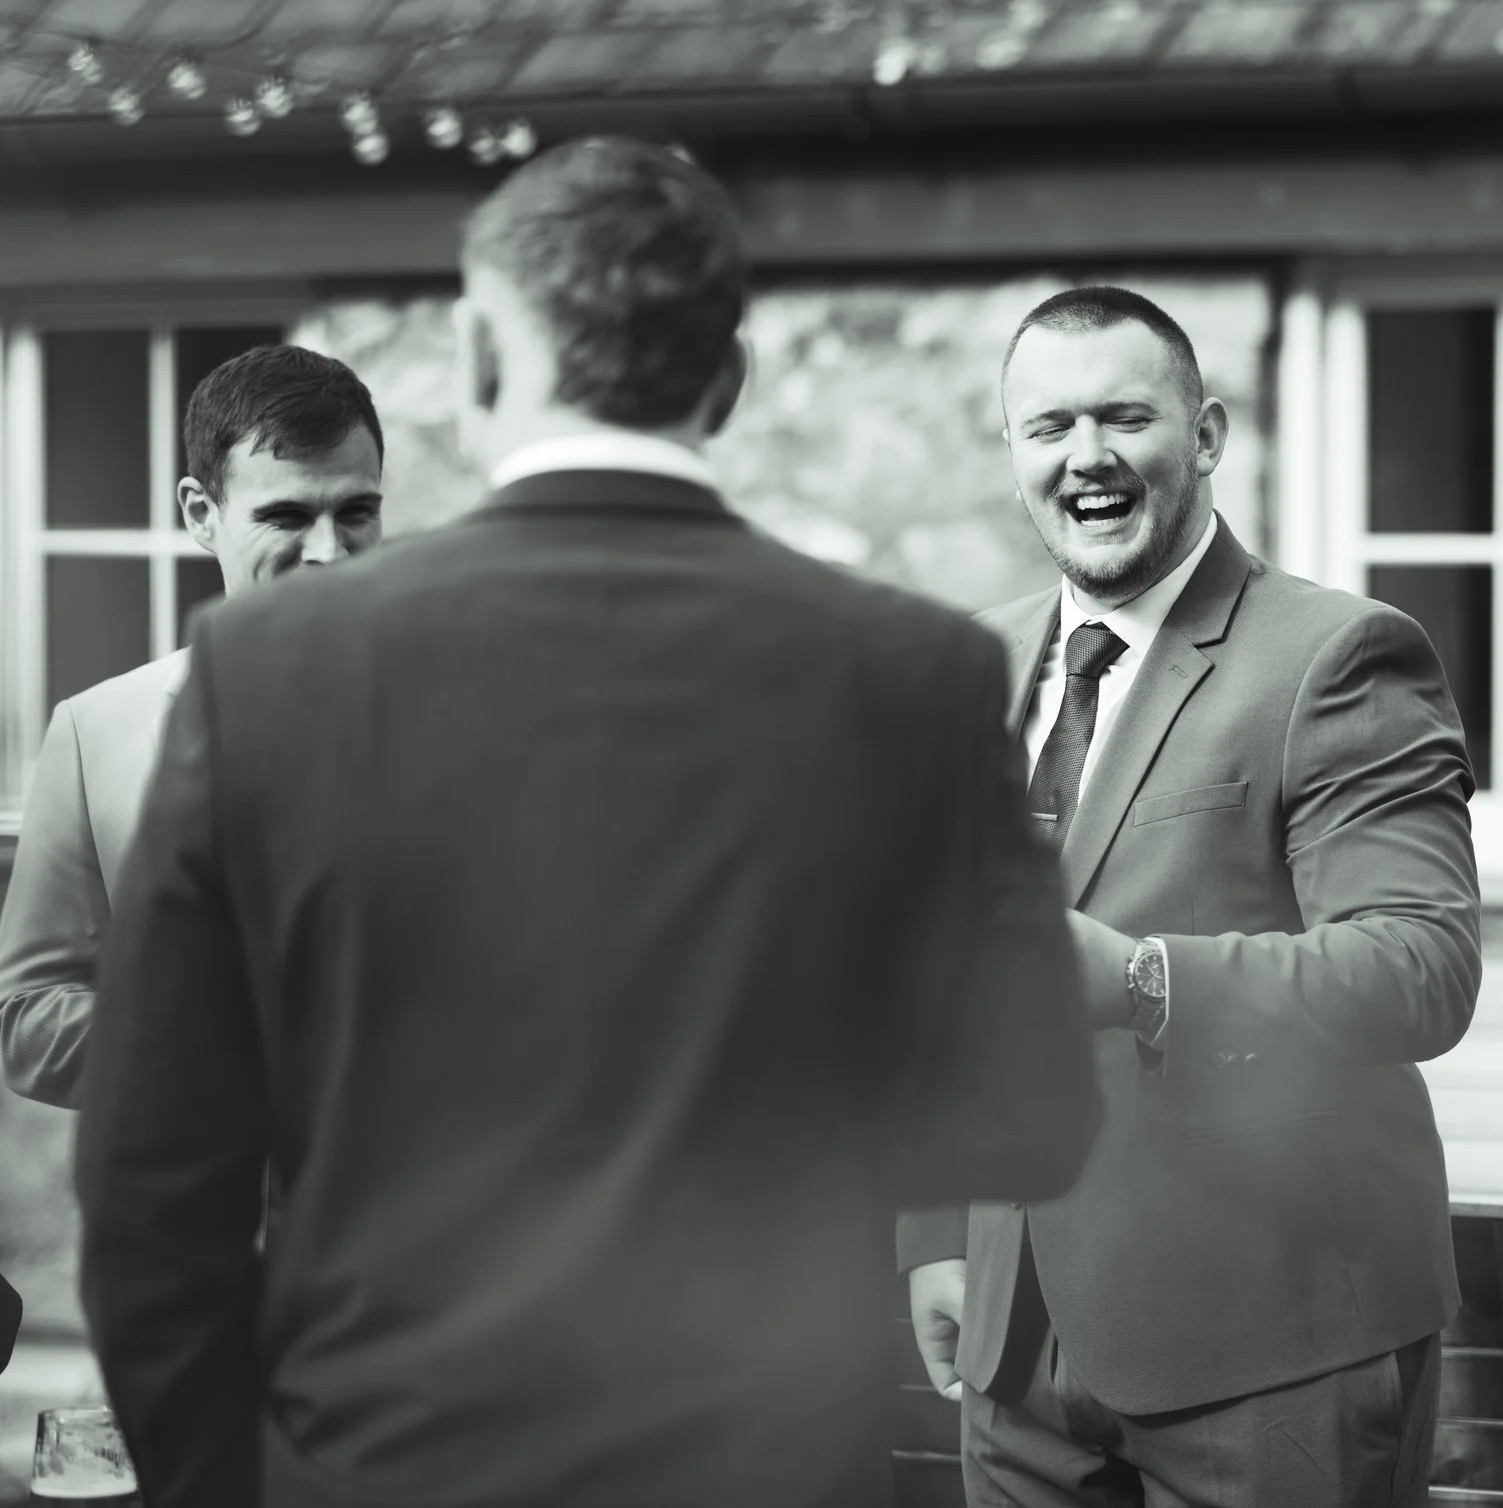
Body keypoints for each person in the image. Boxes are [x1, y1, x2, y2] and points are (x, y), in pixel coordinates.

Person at [74, 138, 1102, 1508]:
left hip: (387, 1461)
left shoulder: (272, 669)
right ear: (727, 377)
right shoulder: (916, 672)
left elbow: (151, 1179)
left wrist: (237, 1479)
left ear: (477, 359)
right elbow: (1028, 1111)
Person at [900, 285, 1480, 1508]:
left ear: (1205, 435)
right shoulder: (967, 666)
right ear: (1012, 451)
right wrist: (937, 1228)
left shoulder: (1339, 654)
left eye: (1124, 417)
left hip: (1273, 1339)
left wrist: (1145, 979)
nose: (1086, 455)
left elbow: (1420, 966)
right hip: (1014, 1341)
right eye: (1049, 425)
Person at [0, 344, 384, 1108]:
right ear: (200, 513)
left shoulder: (466, 710)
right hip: (206, 1180)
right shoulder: (91, 731)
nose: (328, 552)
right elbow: (28, 1017)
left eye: (356, 512)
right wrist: (221, 1047)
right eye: (285, 516)